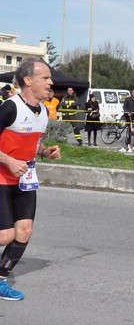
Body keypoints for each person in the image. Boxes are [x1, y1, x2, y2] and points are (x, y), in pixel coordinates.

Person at [0, 58, 61, 301]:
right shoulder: (10, 108)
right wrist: (8, 161)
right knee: (5, 235)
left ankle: (1, 280)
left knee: (23, 231)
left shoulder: (43, 111)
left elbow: (31, 142)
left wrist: (45, 151)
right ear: (28, 81)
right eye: (45, 78)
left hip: (24, 179)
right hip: (1, 177)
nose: (50, 82)